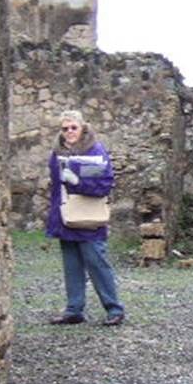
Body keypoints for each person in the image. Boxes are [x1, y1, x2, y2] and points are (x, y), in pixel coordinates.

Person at [45, 110, 126, 326]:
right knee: (71, 265)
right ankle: (74, 309)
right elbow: (55, 187)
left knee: (97, 263)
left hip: (88, 216)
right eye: (65, 128)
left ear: (83, 128)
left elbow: (103, 184)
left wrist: (76, 181)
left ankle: (114, 309)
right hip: (66, 215)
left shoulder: (94, 152)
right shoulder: (57, 152)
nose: (69, 132)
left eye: (73, 127)